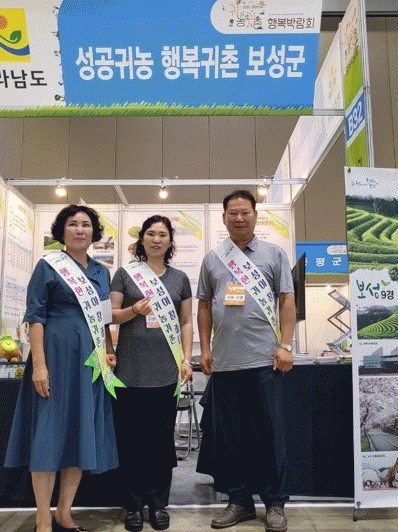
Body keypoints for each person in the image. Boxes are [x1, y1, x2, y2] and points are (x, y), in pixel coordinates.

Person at [5, 205, 119, 532]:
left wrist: (109, 351)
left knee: (79, 434)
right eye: (72, 224)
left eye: (86, 224)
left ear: (94, 233)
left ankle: (64, 513)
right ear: (62, 231)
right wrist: (39, 366)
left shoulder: (101, 271)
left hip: (89, 361)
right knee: (49, 435)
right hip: (54, 357)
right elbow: (35, 317)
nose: (80, 229)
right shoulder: (48, 266)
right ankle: (43, 517)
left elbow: (103, 319)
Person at [197, 190, 296, 532]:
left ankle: (275, 503)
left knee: (269, 436)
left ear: (255, 215)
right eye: (232, 213)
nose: (239, 218)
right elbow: (204, 306)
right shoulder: (213, 259)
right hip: (225, 364)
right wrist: (205, 348)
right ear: (224, 218)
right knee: (231, 438)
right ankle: (239, 502)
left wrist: (285, 344)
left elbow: (286, 299)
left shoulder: (273, 254)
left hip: (265, 361)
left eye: (245, 212)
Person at [110, 215, 193, 532]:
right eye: (150, 234)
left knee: (161, 442)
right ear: (142, 239)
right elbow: (110, 315)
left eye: (162, 234)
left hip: (166, 372)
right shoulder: (125, 274)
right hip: (129, 372)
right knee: (130, 441)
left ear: (170, 241)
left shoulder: (179, 278)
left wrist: (186, 359)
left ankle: (158, 503)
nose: (156, 239)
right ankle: (132, 505)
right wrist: (134, 310)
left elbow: (186, 322)